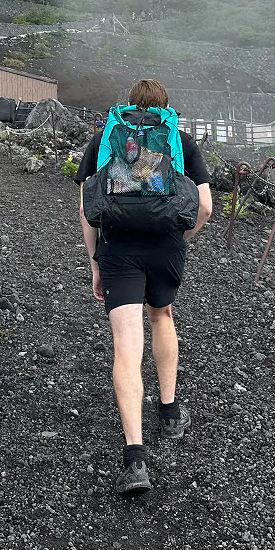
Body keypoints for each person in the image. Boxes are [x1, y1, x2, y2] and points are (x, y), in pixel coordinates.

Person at [74, 79, 213, 495]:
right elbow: (204, 206)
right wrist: (182, 239)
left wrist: (95, 259)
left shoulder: (106, 136)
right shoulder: (180, 139)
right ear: (165, 108)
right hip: (165, 246)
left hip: (118, 249)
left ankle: (134, 458)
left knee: (126, 343)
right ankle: (169, 412)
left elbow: (87, 205)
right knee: (162, 315)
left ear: (129, 105)